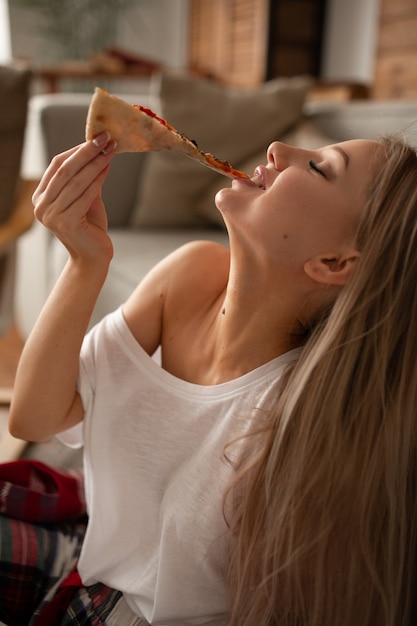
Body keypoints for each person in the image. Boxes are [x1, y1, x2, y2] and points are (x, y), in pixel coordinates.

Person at [4, 129, 417, 626]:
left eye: (319, 167)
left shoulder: (289, 419)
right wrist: (85, 262)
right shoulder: (190, 273)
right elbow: (35, 417)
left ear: (333, 263)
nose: (279, 150)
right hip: (89, 562)